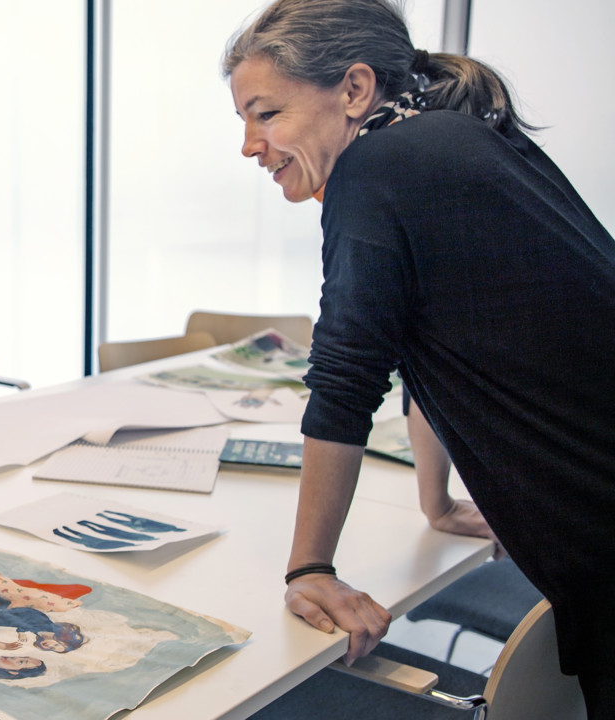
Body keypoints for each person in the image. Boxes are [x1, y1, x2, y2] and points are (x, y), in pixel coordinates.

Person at [222, 0, 615, 715]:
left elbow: (346, 378)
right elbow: (438, 344)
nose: (250, 144)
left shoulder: (375, 170)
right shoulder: (456, 141)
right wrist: (436, 502)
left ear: (353, 90)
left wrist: (311, 568)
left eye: (266, 113)